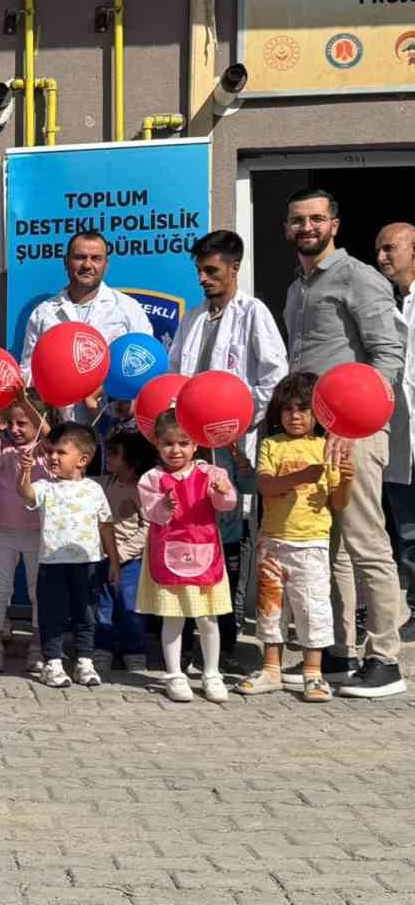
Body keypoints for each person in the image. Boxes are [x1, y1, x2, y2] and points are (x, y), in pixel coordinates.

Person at [282, 188, 406, 697]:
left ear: (334, 223)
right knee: (325, 547)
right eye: (297, 220)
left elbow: (387, 356)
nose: (306, 227)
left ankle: (386, 660)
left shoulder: (360, 278)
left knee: (366, 543)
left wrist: (352, 423)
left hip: (353, 432)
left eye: (316, 219)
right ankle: (335, 651)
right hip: (312, 433)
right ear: (286, 228)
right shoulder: (297, 287)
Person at [168, 230, 288, 661]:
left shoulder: (253, 313)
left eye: (211, 270)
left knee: (231, 537)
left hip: (234, 447)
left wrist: (232, 421)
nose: (203, 278)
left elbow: (274, 378)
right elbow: (175, 378)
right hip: (192, 449)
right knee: (193, 533)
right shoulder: (194, 319)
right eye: (199, 270)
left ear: (235, 269)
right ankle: (188, 635)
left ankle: (228, 633)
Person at [238, 374, 351, 703]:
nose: (295, 415)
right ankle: (271, 668)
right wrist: (301, 476)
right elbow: (266, 485)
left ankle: (313, 674)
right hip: (272, 541)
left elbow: (339, 502)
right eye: (287, 409)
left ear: (319, 413)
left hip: (312, 543)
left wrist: (346, 480)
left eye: (303, 408)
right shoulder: (271, 445)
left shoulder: (326, 446)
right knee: (270, 609)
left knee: (312, 607)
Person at [137, 411, 239, 704]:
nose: (176, 450)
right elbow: (150, 512)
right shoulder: (153, 478)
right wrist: (164, 504)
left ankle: (211, 673)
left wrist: (223, 491)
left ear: (196, 445)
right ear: (157, 444)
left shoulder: (211, 473)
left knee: (208, 618)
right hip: (168, 555)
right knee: (174, 618)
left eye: (184, 443)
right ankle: (174, 674)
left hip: (205, 553)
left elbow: (226, 504)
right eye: (169, 443)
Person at [18, 231, 153, 422]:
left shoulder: (127, 308)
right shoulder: (44, 313)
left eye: (96, 258)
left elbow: (146, 367)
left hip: (115, 425)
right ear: (66, 261)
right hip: (62, 429)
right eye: (80, 257)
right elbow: (28, 371)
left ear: (107, 264)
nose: (87, 265)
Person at [20, 422, 112, 689]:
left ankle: (85, 661)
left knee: (86, 615)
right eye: (50, 452)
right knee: (52, 615)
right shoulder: (45, 486)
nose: (52, 457)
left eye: (60, 453)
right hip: (53, 564)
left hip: (89, 564)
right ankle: (53, 663)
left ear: (82, 459)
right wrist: (24, 473)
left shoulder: (94, 489)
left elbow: (105, 525)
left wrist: (113, 561)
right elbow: (25, 494)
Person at [0, 389, 51, 674]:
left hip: (36, 531)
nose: (16, 429)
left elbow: (49, 431)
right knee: (0, 588)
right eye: (12, 423)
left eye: (24, 423)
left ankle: (37, 645)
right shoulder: (2, 448)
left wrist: (25, 401)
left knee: (36, 590)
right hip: (5, 531)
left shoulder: (45, 450)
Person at [375, 220, 415, 640]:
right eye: (379, 250)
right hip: (400, 434)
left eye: (390, 249)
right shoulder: (384, 305)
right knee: (406, 530)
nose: (382, 257)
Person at [95, 428, 157, 673]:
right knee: (104, 606)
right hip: (103, 557)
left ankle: (134, 651)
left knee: (129, 607)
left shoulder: (143, 490)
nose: (107, 457)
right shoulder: (104, 483)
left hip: (130, 563)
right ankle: (102, 649)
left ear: (132, 460)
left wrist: (122, 554)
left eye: (114, 454)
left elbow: (148, 528)